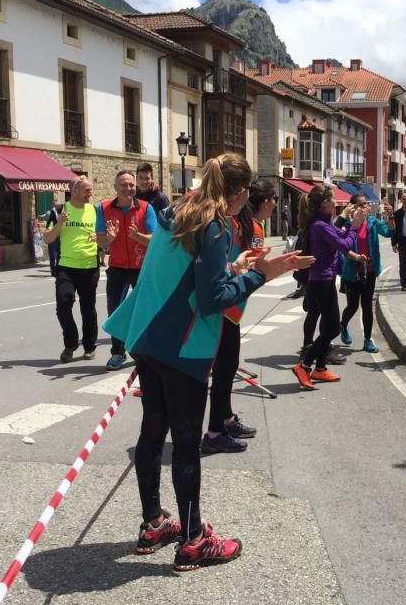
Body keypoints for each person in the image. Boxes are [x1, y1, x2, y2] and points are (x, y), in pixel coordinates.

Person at [102, 153, 309, 570]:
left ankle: (154, 523)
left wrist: (235, 266)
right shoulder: (213, 224)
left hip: (145, 334)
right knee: (185, 442)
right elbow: (213, 300)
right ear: (239, 194)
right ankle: (194, 540)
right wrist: (260, 275)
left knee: (152, 430)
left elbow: (187, 275)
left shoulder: (179, 211)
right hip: (181, 345)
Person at [202, 179, 278, 454]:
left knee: (225, 368)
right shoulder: (251, 228)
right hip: (228, 305)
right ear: (264, 201)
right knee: (225, 370)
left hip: (227, 302)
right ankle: (214, 432)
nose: (274, 206)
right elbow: (253, 269)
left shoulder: (233, 223)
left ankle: (226, 418)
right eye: (274, 200)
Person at [292, 187, 361, 390]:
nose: (335, 202)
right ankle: (305, 365)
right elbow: (344, 244)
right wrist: (355, 225)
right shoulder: (320, 225)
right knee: (332, 328)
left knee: (326, 325)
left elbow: (339, 236)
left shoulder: (322, 222)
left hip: (324, 279)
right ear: (324, 203)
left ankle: (320, 368)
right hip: (320, 281)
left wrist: (349, 222)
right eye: (332, 199)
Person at [96, 170, 156, 371]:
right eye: (124, 185)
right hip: (118, 267)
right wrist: (109, 240)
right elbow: (99, 239)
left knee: (144, 309)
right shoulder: (103, 208)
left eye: (131, 185)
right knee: (116, 310)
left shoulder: (146, 208)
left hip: (142, 268)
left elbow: (155, 240)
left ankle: (146, 349)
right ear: (115, 187)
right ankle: (117, 352)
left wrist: (137, 236)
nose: (128, 188)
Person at [42, 176, 100, 363]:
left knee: (88, 309)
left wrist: (97, 235)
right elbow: (47, 239)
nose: (90, 193)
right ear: (74, 191)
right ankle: (71, 343)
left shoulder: (95, 210)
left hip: (89, 265)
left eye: (90, 190)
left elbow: (104, 234)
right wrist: (59, 223)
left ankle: (89, 346)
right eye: (87, 190)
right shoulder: (58, 211)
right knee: (63, 306)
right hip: (66, 266)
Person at [340, 193, 394, 353]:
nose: (366, 207)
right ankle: (342, 325)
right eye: (362, 204)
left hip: (369, 270)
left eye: (366, 204)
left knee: (367, 305)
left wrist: (391, 215)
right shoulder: (349, 224)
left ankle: (367, 340)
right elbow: (342, 246)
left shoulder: (372, 221)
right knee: (352, 305)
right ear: (354, 207)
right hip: (352, 271)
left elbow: (389, 233)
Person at [42, 198, 63, 277]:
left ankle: (57, 270)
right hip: (53, 235)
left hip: (60, 236)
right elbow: (49, 225)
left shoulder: (63, 211)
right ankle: (53, 271)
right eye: (55, 205)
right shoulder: (50, 212)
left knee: (59, 254)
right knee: (52, 255)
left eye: (58, 205)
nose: (57, 206)